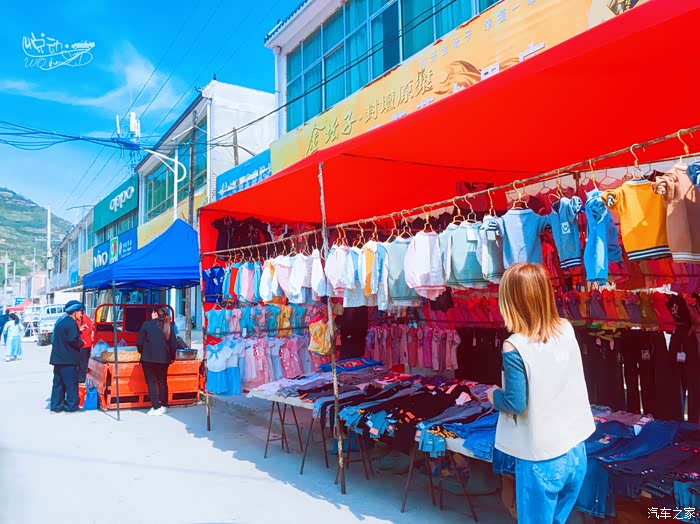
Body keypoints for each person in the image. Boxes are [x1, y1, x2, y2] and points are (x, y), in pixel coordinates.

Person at [487, 263, 595, 524]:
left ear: (511, 301)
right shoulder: (565, 329)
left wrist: (493, 396)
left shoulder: (515, 346)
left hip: (542, 456)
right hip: (575, 448)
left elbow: (515, 402)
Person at [136, 307, 176, 416]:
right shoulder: (169, 325)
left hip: (148, 358)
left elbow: (139, 342)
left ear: (155, 313)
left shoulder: (147, 324)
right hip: (164, 359)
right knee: (162, 382)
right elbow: (173, 344)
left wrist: (142, 351)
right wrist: (172, 357)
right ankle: (164, 406)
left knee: (151, 383)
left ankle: (156, 407)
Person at [49, 301, 84, 413]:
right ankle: (72, 406)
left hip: (58, 359)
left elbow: (64, 337)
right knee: (71, 384)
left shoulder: (62, 322)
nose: (81, 315)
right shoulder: (71, 323)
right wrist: (81, 343)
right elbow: (72, 340)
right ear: (75, 312)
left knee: (58, 384)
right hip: (68, 360)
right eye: (80, 312)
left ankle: (56, 406)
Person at [77, 312, 94, 383]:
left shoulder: (83, 319)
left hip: (83, 344)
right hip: (85, 344)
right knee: (83, 364)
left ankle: (81, 380)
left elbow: (83, 333)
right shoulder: (85, 318)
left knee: (82, 364)